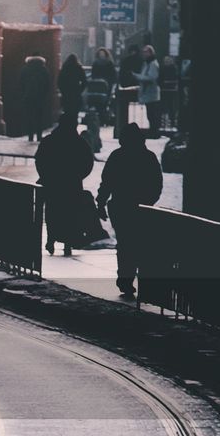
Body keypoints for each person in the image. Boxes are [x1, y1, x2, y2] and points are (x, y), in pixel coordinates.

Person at [97, 122, 163, 298]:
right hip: (141, 208)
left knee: (125, 243)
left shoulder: (117, 156)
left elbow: (107, 182)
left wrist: (101, 202)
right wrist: (148, 202)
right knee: (140, 242)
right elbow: (157, 183)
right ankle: (139, 279)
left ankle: (125, 279)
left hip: (120, 206)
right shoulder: (148, 157)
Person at [34, 113, 95, 257]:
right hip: (72, 184)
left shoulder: (49, 140)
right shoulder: (79, 142)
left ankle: (51, 240)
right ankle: (68, 243)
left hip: (52, 183)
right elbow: (88, 162)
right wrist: (78, 175)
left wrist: (45, 176)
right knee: (71, 214)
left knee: (53, 213)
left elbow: (40, 160)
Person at [17, 55, 52, 142]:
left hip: (28, 97)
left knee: (29, 117)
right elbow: (47, 84)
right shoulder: (43, 69)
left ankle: (30, 136)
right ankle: (39, 136)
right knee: (39, 117)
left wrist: (23, 93)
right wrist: (45, 95)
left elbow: (21, 83)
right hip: (40, 97)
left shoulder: (25, 69)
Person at [116, 44, 142, 136]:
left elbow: (121, 74)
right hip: (138, 86)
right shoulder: (141, 61)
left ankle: (123, 128)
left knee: (125, 111)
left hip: (126, 87)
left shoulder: (125, 61)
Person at [138, 45, 162, 137]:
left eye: (146, 52)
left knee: (153, 114)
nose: (144, 54)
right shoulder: (146, 63)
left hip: (152, 92)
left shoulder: (153, 64)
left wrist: (140, 77)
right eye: (143, 52)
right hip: (147, 92)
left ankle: (154, 132)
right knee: (150, 114)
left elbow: (152, 77)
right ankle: (153, 131)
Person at [56, 52, 86, 118]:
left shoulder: (64, 68)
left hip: (66, 93)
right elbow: (84, 82)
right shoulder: (79, 68)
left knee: (67, 111)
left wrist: (62, 91)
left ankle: (68, 125)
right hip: (76, 92)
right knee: (75, 112)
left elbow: (59, 81)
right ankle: (74, 126)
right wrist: (80, 90)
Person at [160, 55, 179, 130]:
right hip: (165, 90)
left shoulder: (173, 68)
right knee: (165, 107)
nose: (166, 62)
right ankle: (164, 123)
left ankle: (171, 122)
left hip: (170, 90)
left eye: (168, 60)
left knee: (170, 107)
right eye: (165, 60)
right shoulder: (164, 68)